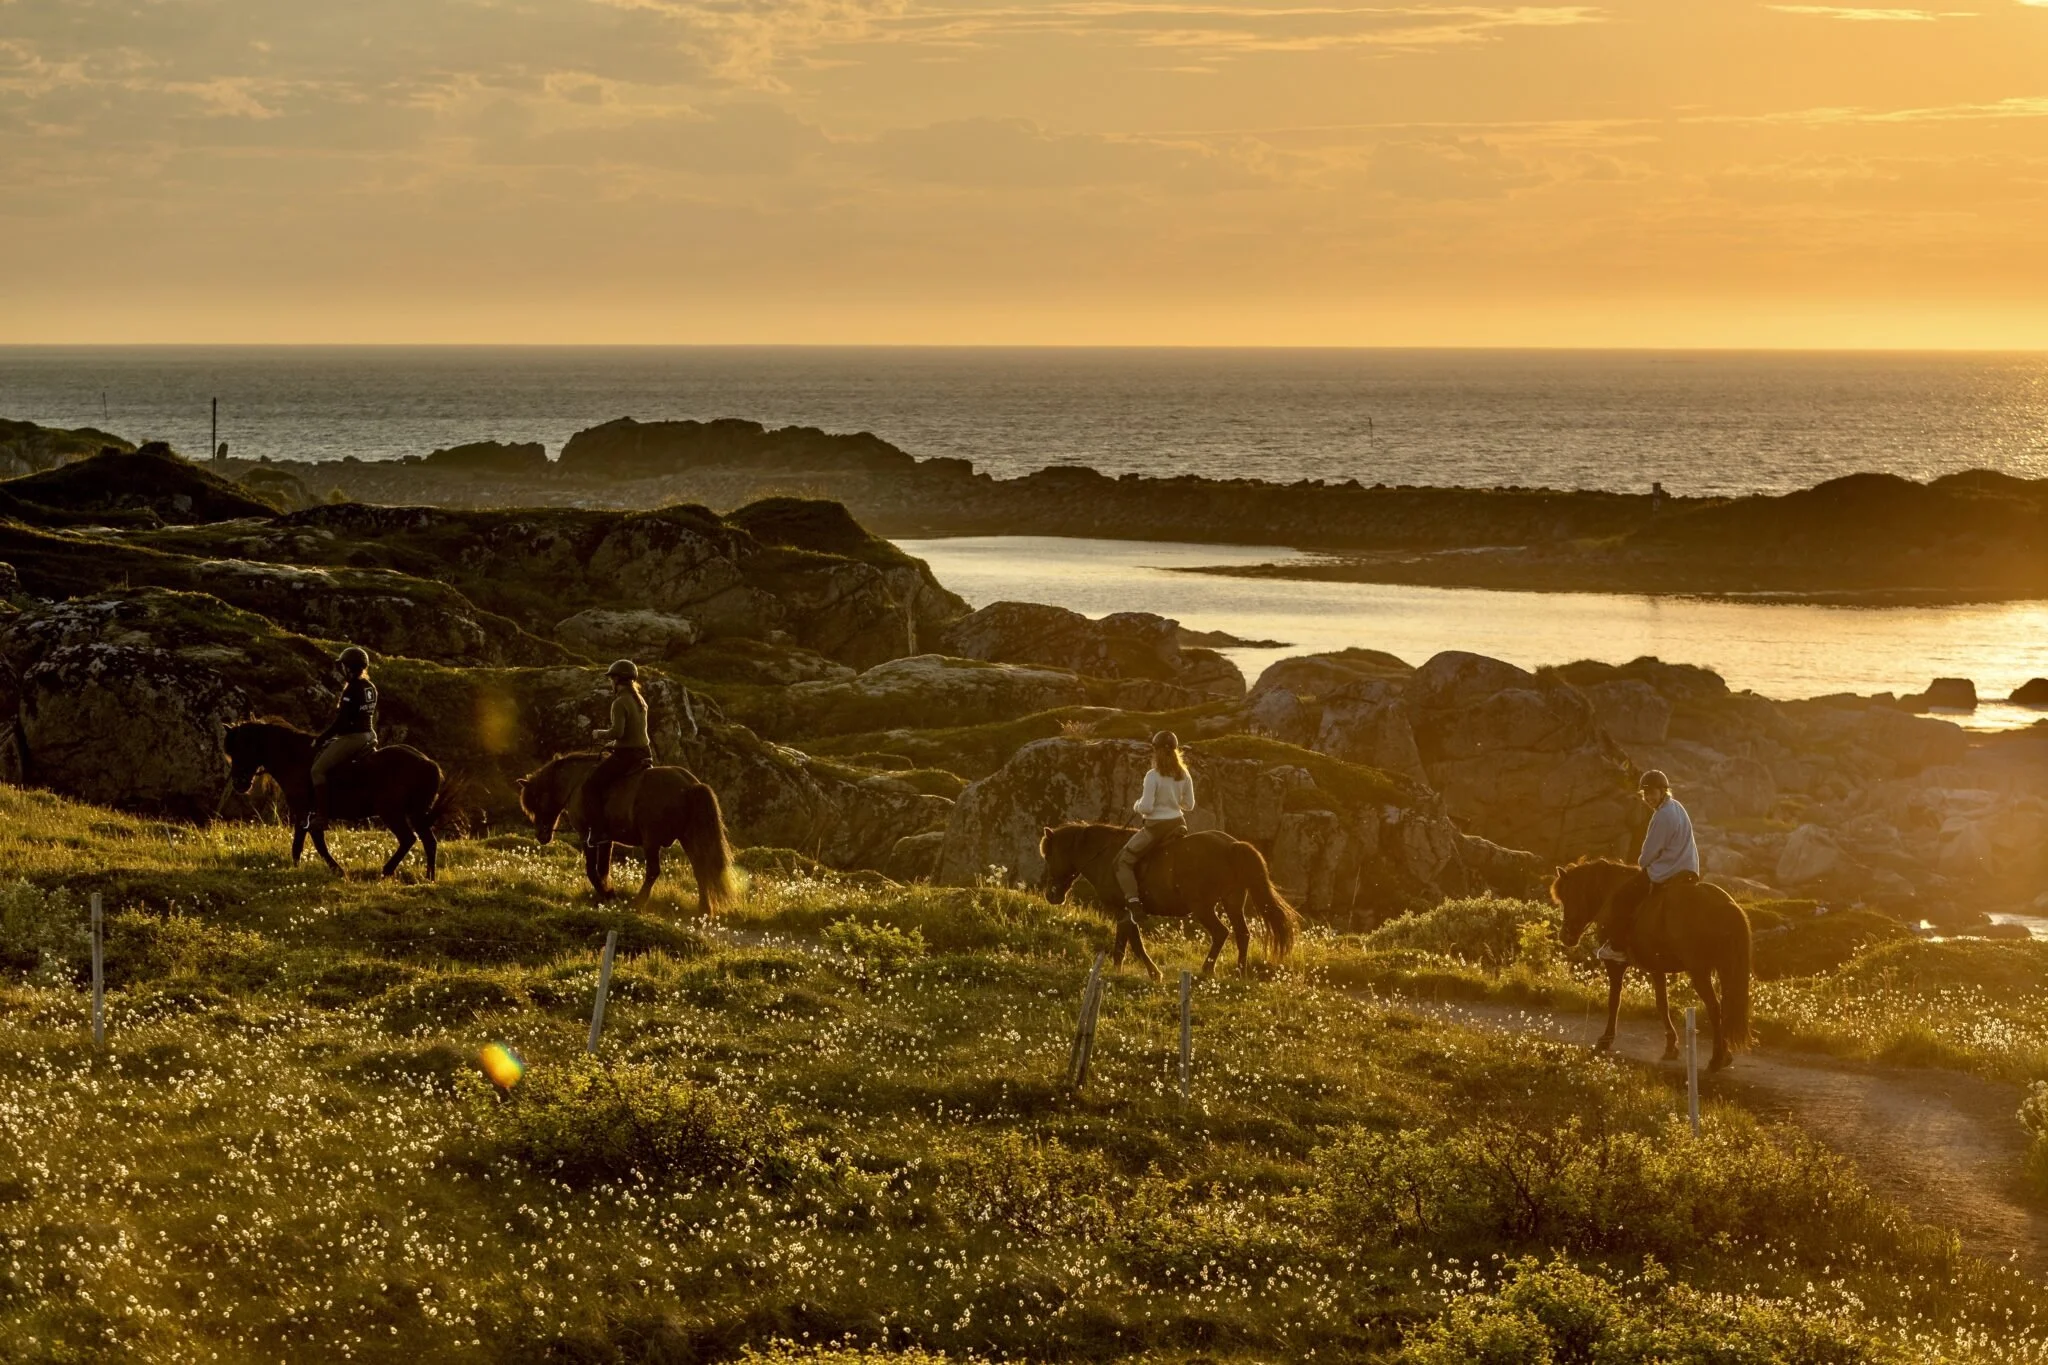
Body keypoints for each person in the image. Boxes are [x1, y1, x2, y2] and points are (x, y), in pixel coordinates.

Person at [1598, 768, 1700, 964]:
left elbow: (1647, 855)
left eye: (1652, 793)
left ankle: (1617, 948)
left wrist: (1643, 863)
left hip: (1668, 871)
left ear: (1663, 792)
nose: (1648, 798)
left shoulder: (1662, 816)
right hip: (1689, 868)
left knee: (1621, 898)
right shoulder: (1678, 807)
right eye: (1645, 794)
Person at [1115, 731, 1196, 925]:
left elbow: (1147, 808)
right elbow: (1190, 805)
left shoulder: (1152, 776)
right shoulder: (1184, 775)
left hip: (1156, 828)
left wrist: (1136, 805)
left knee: (1123, 862)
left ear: (1156, 751)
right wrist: (1174, 802)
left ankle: (1134, 903)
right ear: (1176, 752)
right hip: (1178, 824)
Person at [583, 659, 652, 849]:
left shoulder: (620, 702)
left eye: (611, 678)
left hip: (627, 755)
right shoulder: (640, 701)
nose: (610, 682)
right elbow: (634, 733)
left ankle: (599, 832)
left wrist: (600, 734)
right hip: (643, 752)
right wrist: (614, 744)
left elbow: (618, 732)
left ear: (617, 679)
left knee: (590, 785)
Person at [308, 646, 378, 832]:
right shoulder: (370, 687)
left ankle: (322, 817)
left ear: (349, 668)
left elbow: (341, 723)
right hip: (370, 735)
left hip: (354, 738)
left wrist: (321, 738)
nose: (341, 670)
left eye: (343, 667)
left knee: (317, 770)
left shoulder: (352, 689)